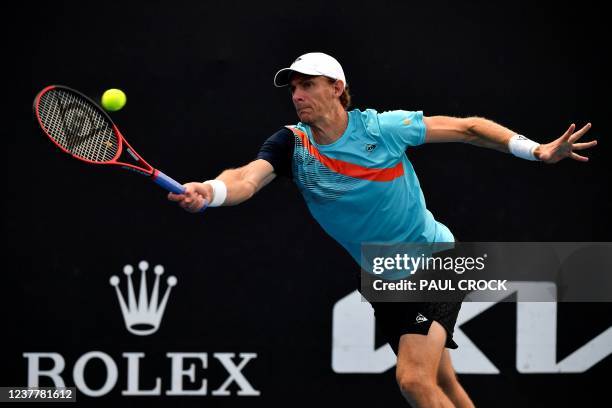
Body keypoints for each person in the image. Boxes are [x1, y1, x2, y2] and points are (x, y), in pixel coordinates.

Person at [168, 52, 596, 407]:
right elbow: (245, 177)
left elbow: (469, 129)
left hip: (436, 261)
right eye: (293, 88)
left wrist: (536, 150)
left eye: (308, 84)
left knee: (413, 380)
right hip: (382, 274)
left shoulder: (382, 129)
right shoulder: (291, 144)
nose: (297, 95)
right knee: (441, 383)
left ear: (337, 87)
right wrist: (211, 191)